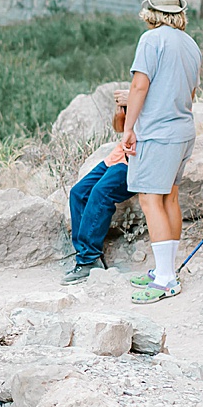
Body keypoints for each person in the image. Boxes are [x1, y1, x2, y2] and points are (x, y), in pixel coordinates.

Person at [122, 0, 203, 303]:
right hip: (183, 130)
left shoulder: (150, 40)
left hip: (158, 133)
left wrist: (129, 128)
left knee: (149, 199)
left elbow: (139, 85)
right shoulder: (190, 44)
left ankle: (166, 279)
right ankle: (165, 270)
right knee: (170, 197)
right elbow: (191, 92)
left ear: (152, 12)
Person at [65, 88, 134, 282]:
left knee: (100, 193)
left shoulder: (152, 91)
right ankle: (85, 254)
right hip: (118, 156)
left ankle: (88, 260)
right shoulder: (138, 86)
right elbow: (119, 127)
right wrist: (121, 109)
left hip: (136, 158)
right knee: (78, 193)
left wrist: (134, 98)